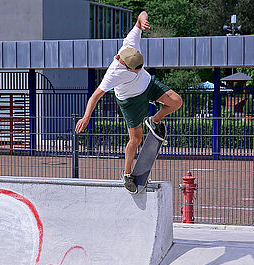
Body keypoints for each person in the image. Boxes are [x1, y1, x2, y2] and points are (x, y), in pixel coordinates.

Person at [75, 10, 183, 193]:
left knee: (176, 101)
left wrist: (144, 19)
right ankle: (127, 174)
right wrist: (86, 117)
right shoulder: (113, 74)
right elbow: (95, 96)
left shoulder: (131, 43)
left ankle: (154, 120)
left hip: (148, 86)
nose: (138, 71)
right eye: (135, 70)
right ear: (125, 65)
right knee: (136, 138)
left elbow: (141, 15)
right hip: (130, 101)